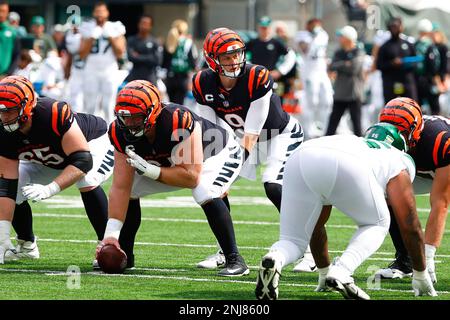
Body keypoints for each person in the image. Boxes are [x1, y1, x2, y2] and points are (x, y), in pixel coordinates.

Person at [255, 123, 437, 300]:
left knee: (293, 240)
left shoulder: (355, 142)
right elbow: (409, 224)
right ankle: (343, 270)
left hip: (301, 155)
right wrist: (420, 274)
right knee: (377, 224)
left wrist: (323, 273)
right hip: (346, 162)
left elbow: (317, 224)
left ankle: (275, 257)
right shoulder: (399, 158)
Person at [95, 80, 249, 276]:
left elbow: (190, 177)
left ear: (153, 112)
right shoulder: (118, 131)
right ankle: (124, 252)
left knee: (205, 190)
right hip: (169, 164)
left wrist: (150, 170)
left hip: (218, 154)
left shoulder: (178, 121)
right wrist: (110, 236)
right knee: (131, 189)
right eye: (126, 117)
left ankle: (235, 259)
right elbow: (120, 187)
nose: (130, 123)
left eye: (137, 117)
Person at [192, 28, 305, 270]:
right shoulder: (202, 83)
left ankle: (309, 249)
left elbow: (251, 135)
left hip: (278, 135)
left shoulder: (256, 76)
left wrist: (227, 172)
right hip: (242, 138)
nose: (234, 61)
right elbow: (214, 134)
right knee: (215, 189)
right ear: (212, 59)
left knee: (273, 184)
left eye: (237, 54)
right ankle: (225, 251)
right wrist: (215, 171)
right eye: (226, 57)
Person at [0, 75, 114, 266]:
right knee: (15, 184)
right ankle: (27, 245)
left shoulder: (52, 113)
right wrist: (2, 235)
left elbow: (82, 161)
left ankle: (108, 244)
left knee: (88, 178)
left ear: (27, 106)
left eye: (10, 111)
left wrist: (50, 189)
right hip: (50, 157)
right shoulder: (3, 129)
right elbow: (6, 185)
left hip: (93, 144)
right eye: (1, 111)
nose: (4, 117)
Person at [375, 97, 449, 284]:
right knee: (385, 190)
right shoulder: (383, 135)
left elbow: (440, 203)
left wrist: (429, 256)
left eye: (401, 132)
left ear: (415, 130)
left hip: (442, 165)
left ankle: (424, 260)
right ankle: (406, 261)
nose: (394, 136)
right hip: (421, 170)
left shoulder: (440, 140)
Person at [79, 1, 126, 123]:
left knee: (108, 104)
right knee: (90, 104)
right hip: (91, 68)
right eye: (97, 11)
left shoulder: (115, 26)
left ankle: (110, 131)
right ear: (94, 13)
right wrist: (92, 38)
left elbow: (120, 52)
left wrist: (110, 37)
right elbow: (82, 54)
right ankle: (89, 130)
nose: (100, 14)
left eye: (102, 11)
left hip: (109, 68)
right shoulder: (87, 27)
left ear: (107, 13)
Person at [325, 25, 364, 136]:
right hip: (340, 94)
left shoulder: (358, 51)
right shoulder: (338, 52)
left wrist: (340, 65)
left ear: (348, 38)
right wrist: (345, 64)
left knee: (357, 126)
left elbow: (354, 68)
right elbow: (331, 66)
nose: (339, 39)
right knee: (332, 125)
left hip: (354, 94)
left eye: (341, 36)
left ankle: (361, 149)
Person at [300, 18, 333, 138]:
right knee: (311, 102)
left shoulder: (323, 35)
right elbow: (304, 50)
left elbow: (323, 53)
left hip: (322, 70)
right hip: (310, 71)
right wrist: (313, 37)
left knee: (328, 100)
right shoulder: (303, 35)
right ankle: (308, 131)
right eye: (314, 25)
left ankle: (324, 129)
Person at [377, 17, 417, 103]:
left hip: (407, 82)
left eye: (396, 26)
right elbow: (379, 65)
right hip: (391, 83)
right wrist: (392, 63)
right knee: (391, 108)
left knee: (410, 106)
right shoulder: (384, 47)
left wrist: (405, 63)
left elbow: (415, 62)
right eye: (392, 27)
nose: (394, 29)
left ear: (401, 27)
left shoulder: (408, 44)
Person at [162, 19, 197, 105]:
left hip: (170, 76)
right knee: (179, 104)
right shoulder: (188, 42)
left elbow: (163, 61)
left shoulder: (169, 40)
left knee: (171, 103)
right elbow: (192, 62)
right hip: (182, 77)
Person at [414, 19, 443, 115]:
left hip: (416, 81)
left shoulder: (415, 44)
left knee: (419, 109)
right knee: (435, 109)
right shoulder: (430, 46)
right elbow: (433, 66)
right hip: (429, 81)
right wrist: (437, 81)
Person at [124, 15, 162, 84]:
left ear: (151, 26)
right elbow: (131, 57)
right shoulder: (132, 40)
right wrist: (149, 57)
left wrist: (138, 56)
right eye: (142, 23)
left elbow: (157, 60)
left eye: (147, 24)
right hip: (134, 76)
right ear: (138, 24)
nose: (144, 26)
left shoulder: (155, 42)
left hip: (150, 77)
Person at [0, 1, 20, 79]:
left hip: (4, 78)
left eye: (3, 11)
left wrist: (8, 74)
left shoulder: (13, 33)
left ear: (7, 12)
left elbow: (16, 55)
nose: (1, 14)